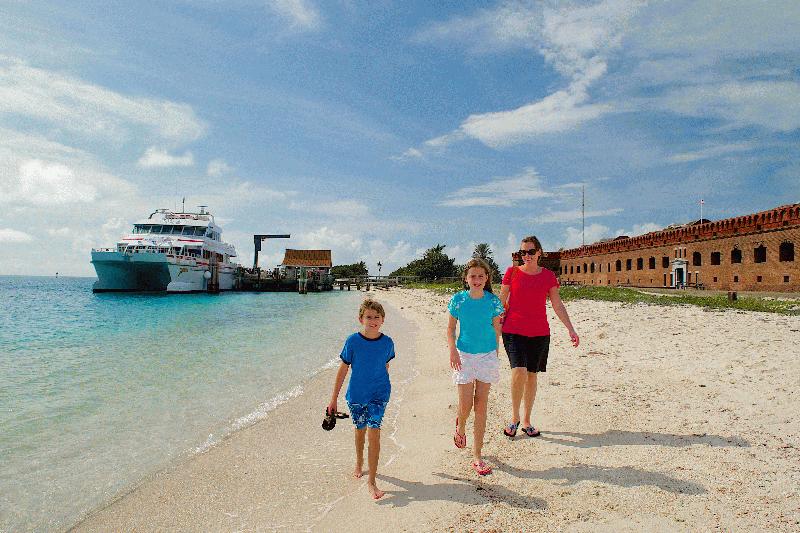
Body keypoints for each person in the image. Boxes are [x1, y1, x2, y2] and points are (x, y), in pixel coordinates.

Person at [499, 236, 579, 438]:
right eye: (522, 253)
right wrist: (494, 330)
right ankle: (515, 418)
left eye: (530, 252)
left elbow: (557, 304)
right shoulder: (512, 273)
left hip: (539, 332)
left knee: (532, 375)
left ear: (539, 253)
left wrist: (570, 328)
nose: (526, 256)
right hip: (513, 329)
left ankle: (526, 420)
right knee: (519, 371)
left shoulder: (548, 276)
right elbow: (501, 303)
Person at [328, 299, 395, 500]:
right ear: (361, 319)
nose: (373, 320)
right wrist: (333, 399)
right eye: (368, 317)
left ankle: (372, 481)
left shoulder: (388, 342)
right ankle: (359, 462)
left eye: (376, 317)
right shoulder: (352, 341)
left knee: (374, 432)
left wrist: (381, 386)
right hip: (356, 395)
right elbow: (343, 369)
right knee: (360, 430)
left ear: (382, 319)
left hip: (379, 395)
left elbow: (385, 366)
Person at [447, 258, 504, 475]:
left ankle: (477, 455)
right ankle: (460, 426)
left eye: (481, 276)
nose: (477, 280)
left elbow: (497, 329)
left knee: (481, 405)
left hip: (487, 355)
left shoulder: (493, 302)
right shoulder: (458, 300)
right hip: (464, 356)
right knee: (466, 405)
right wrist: (452, 350)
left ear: (487, 278)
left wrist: (495, 356)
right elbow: (450, 329)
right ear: (466, 278)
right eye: (473, 276)